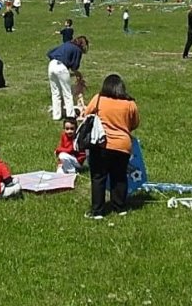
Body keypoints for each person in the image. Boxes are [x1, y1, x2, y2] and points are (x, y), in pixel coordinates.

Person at [83, 74, 140, 219]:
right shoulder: (130, 104)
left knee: (98, 177)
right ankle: (120, 207)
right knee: (119, 176)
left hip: (101, 144)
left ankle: (97, 211)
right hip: (123, 145)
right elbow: (134, 124)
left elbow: (87, 114)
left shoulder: (99, 99)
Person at [47, 36, 89, 121]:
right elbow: (75, 67)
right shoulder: (77, 50)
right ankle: (70, 115)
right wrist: (78, 74)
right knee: (67, 93)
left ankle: (56, 115)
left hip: (52, 65)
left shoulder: (67, 44)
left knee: (55, 92)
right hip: (62, 67)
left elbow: (50, 53)